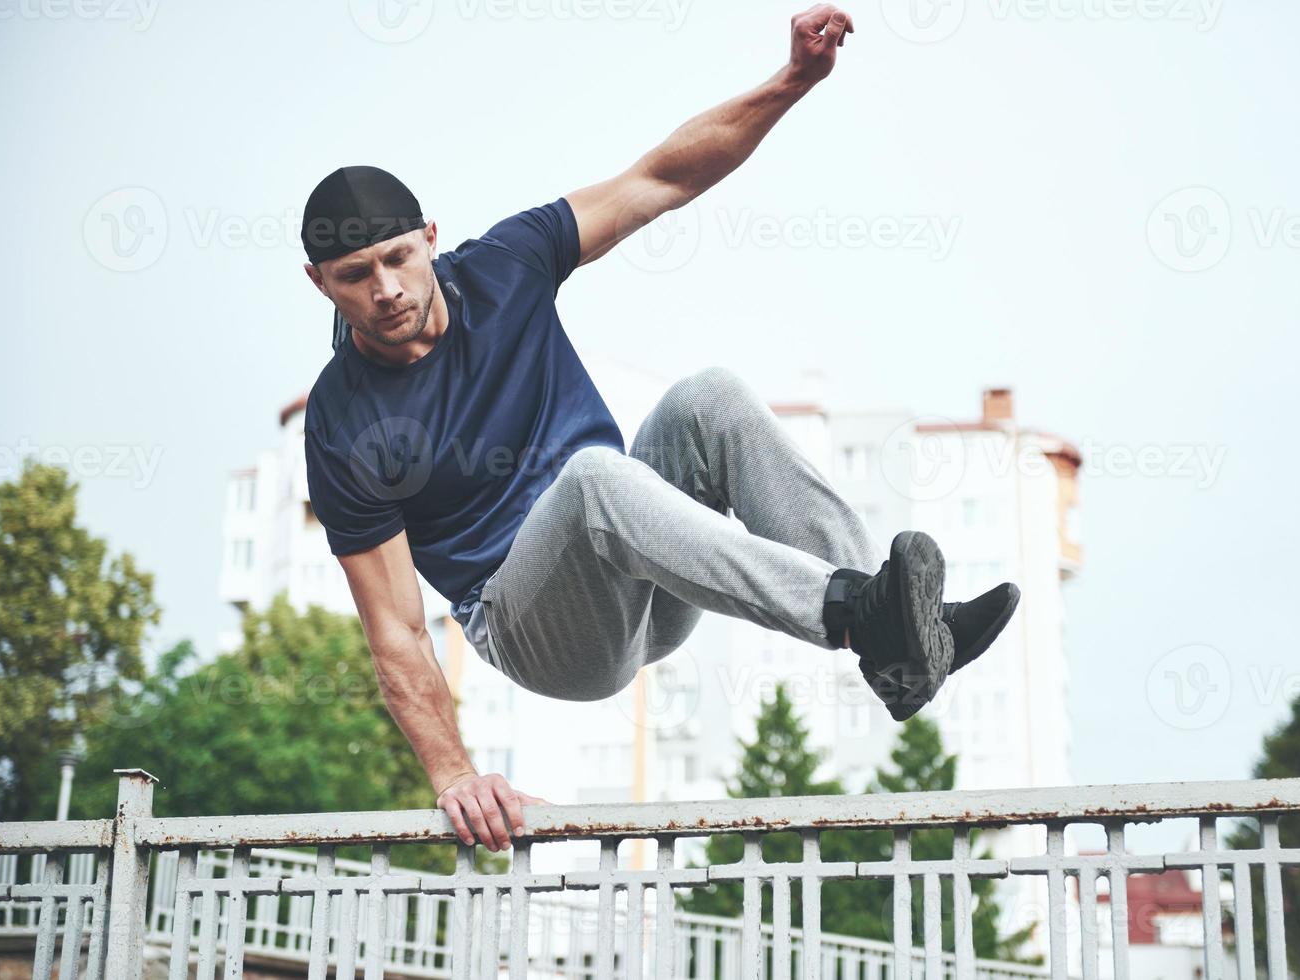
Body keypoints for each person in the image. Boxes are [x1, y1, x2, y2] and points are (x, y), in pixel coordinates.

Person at [298, 4, 1019, 853]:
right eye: (355, 276)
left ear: (428, 238)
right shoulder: (342, 422)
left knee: (706, 396)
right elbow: (398, 630)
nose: (384, 290)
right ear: (320, 283)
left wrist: (790, 82)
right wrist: (455, 773)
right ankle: (861, 615)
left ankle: (902, 638)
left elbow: (660, 180)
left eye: (396, 259)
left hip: (650, 578)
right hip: (543, 634)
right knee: (593, 479)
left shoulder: (507, 264)